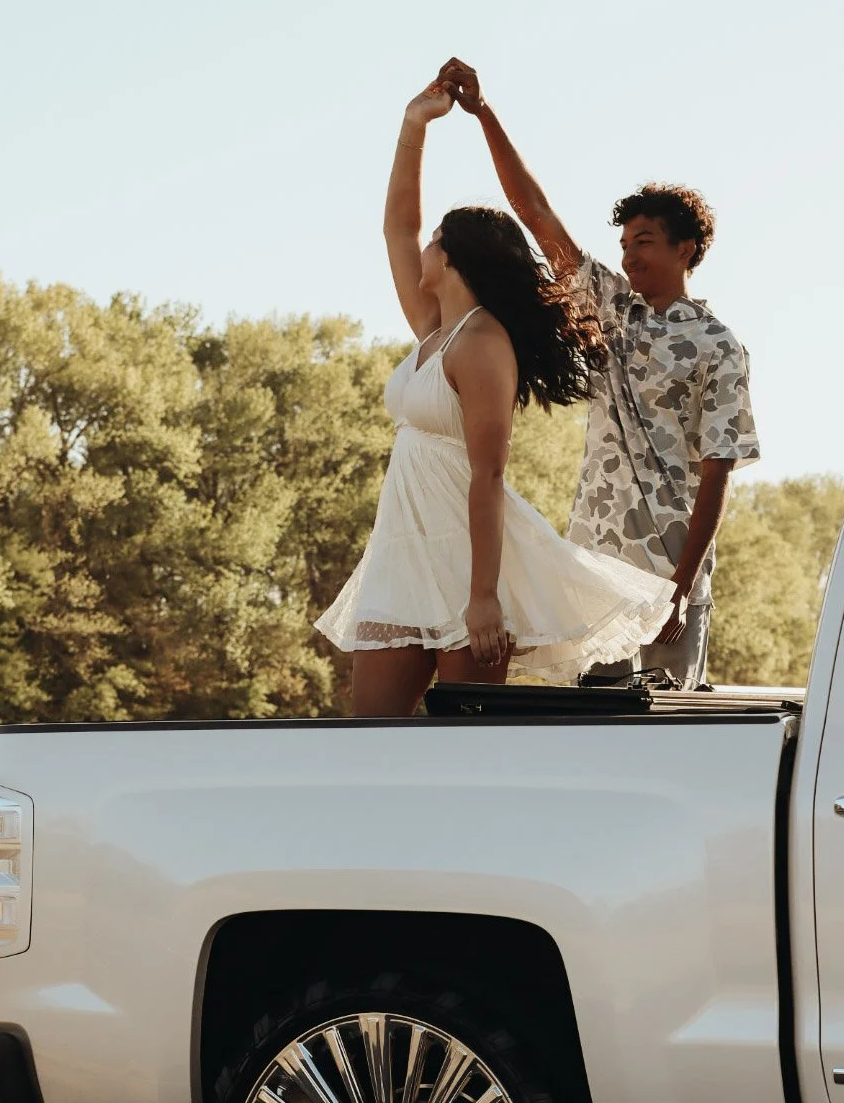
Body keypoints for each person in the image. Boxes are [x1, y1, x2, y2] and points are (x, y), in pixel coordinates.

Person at [315, 82, 674, 718]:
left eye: (434, 242)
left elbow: (489, 473)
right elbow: (396, 226)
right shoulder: (435, 328)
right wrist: (414, 122)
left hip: (467, 571)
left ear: (453, 258)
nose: (421, 247)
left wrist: (484, 597)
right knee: (368, 738)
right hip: (403, 556)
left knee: (457, 756)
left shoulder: (482, 342)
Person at [437, 58, 761, 689]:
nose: (627, 253)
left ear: (684, 249)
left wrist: (683, 584)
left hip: (671, 575)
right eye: (624, 243)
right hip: (595, 571)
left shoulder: (720, 346)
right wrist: (484, 114)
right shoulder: (611, 308)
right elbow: (534, 212)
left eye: (643, 241)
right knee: (592, 725)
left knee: (668, 731)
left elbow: (719, 467)